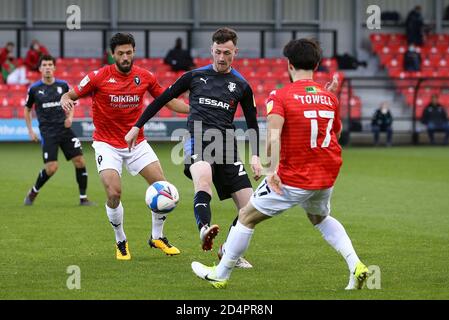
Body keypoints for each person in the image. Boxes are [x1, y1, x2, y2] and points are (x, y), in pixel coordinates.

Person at [190, 38, 369, 290]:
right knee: (320, 217)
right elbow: (334, 135)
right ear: (316, 64)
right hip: (326, 174)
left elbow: (273, 136)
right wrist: (328, 95)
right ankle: (357, 266)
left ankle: (220, 274)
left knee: (245, 216)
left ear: (289, 65)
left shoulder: (281, 95)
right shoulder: (329, 97)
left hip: (294, 176)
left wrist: (271, 169)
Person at [126, 28, 262, 269]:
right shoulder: (194, 77)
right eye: (218, 52)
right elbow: (160, 100)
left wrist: (255, 156)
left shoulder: (241, 85)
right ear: (211, 49)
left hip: (227, 145)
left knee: (250, 207)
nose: (222, 58)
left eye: (227, 53)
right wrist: (137, 126)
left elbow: (252, 121)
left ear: (235, 53)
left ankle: (229, 250)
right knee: (203, 180)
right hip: (197, 139)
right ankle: (204, 229)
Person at [60, 33, 190, 260]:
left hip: (136, 142)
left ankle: (157, 236)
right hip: (107, 144)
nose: (125, 57)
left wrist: (195, 110)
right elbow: (70, 94)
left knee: (164, 188)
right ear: (113, 54)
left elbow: (168, 101)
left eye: (129, 52)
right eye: (120, 53)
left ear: (134, 52)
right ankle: (120, 240)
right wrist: (65, 99)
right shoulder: (98, 76)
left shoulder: (145, 77)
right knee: (114, 193)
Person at [24, 55, 94, 207]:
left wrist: (70, 117)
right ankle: (34, 191)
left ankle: (83, 198)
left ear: (54, 68)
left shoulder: (63, 85)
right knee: (52, 168)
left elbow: (72, 102)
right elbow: (27, 109)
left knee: (80, 161)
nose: (48, 67)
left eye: (50, 64)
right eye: (45, 65)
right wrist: (30, 131)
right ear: (40, 68)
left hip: (64, 129)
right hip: (48, 132)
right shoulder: (34, 89)